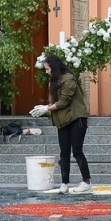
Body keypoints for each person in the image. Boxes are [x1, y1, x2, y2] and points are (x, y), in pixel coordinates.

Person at [30, 52, 91, 194]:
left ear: (54, 67)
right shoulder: (55, 81)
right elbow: (57, 102)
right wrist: (45, 107)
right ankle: (64, 184)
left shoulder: (68, 79)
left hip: (76, 118)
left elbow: (64, 102)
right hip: (63, 120)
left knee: (77, 151)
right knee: (64, 153)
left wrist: (46, 109)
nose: (46, 72)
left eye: (47, 69)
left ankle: (87, 182)